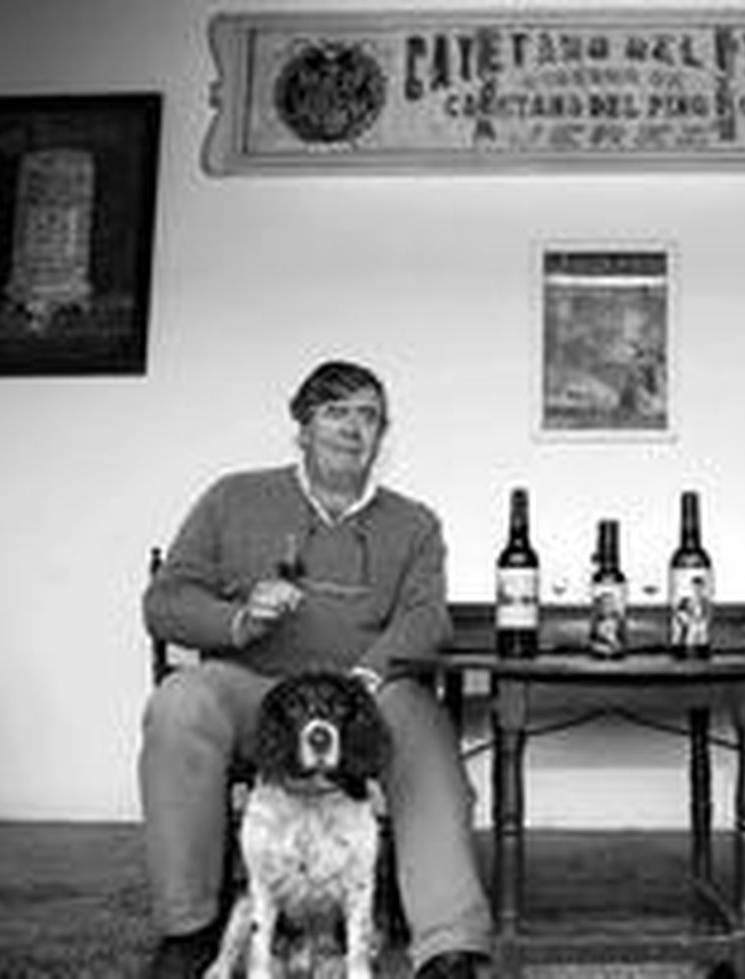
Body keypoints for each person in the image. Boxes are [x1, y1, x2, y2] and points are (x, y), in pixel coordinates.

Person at [140, 359, 491, 979]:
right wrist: (239, 620)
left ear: (382, 435)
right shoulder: (232, 498)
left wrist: (366, 679)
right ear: (302, 427)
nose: (353, 428)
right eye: (335, 412)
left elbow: (426, 618)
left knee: (421, 722)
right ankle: (189, 929)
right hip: (253, 688)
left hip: (363, 690)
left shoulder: (414, 523)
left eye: (369, 416)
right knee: (179, 703)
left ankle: (448, 943)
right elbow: (165, 602)